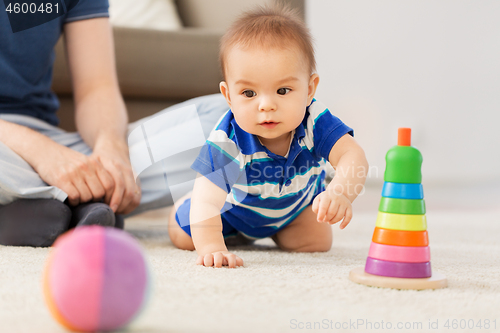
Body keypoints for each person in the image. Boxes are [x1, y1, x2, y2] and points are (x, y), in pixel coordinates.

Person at [0, 0, 228, 246]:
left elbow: (96, 88)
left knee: (232, 117)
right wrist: (41, 153)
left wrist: (111, 149)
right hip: (14, 149)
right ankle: (78, 204)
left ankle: (45, 208)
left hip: (56, 145)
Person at [168, 5, 369, 268]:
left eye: (283, 90)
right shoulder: (228, 139)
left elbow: (352, 155)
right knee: (185, 234)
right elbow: (207, 200)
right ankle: (202, 217)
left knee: (316, 242)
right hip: (232, 212)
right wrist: (213, 248)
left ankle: (276, 229)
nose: (266, 105)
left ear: (309, 90)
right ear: (229, 96)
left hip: (293, 210)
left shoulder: (315, 120)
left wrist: (340, 192)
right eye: (249, 94)